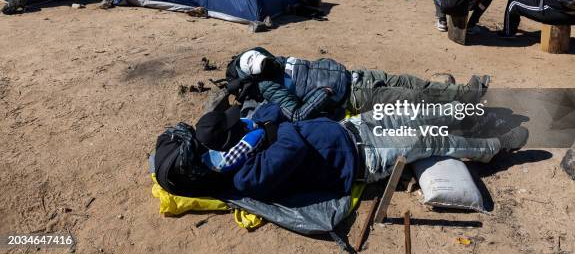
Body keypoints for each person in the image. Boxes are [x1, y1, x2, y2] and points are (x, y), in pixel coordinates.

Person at [155, 102, 528, 200]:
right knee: (433, 140)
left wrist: (258, 129)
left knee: (417, 112)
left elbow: (271, 112)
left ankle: (482, 117)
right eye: (239, 126)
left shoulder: (247, 140)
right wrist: (266, 130)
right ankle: (493, 147)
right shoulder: (247, 176)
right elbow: (292, 145)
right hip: (364, 157)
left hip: (351, 127)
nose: (246, 122)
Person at [226, 47, 491, 122]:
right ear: (256, 75)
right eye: (263, 67)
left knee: (413, 82)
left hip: (358, 76)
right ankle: (464, 104)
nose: (269, 64)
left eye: (266, 60)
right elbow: (296, 114)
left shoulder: (273, 60)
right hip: (355, 96)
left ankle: (464, 94)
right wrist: (321, 96)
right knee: (411, 96)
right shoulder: (269, 87)